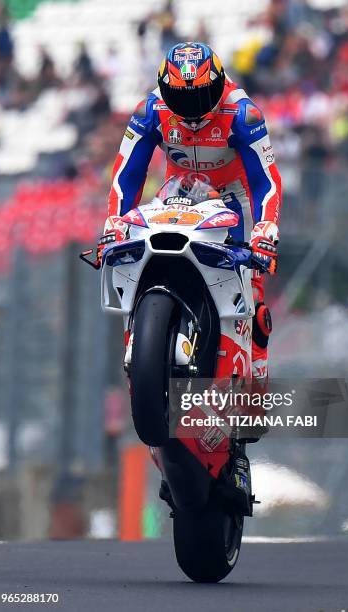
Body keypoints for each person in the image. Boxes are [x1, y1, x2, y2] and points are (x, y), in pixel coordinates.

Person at [98, 42, 282, 382]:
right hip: (177, 198)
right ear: (165, 90)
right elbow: (128, 173)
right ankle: (140, 360)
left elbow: (265, 181)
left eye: (200, 96)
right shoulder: (148, 111)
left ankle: (254, 381)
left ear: (219, 83)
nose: (192, 110)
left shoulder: (245, 115)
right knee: (137, 260)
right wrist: (114, 222)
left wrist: (265, 228)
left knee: (252, 293)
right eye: (181, 98)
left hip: (232, 203)